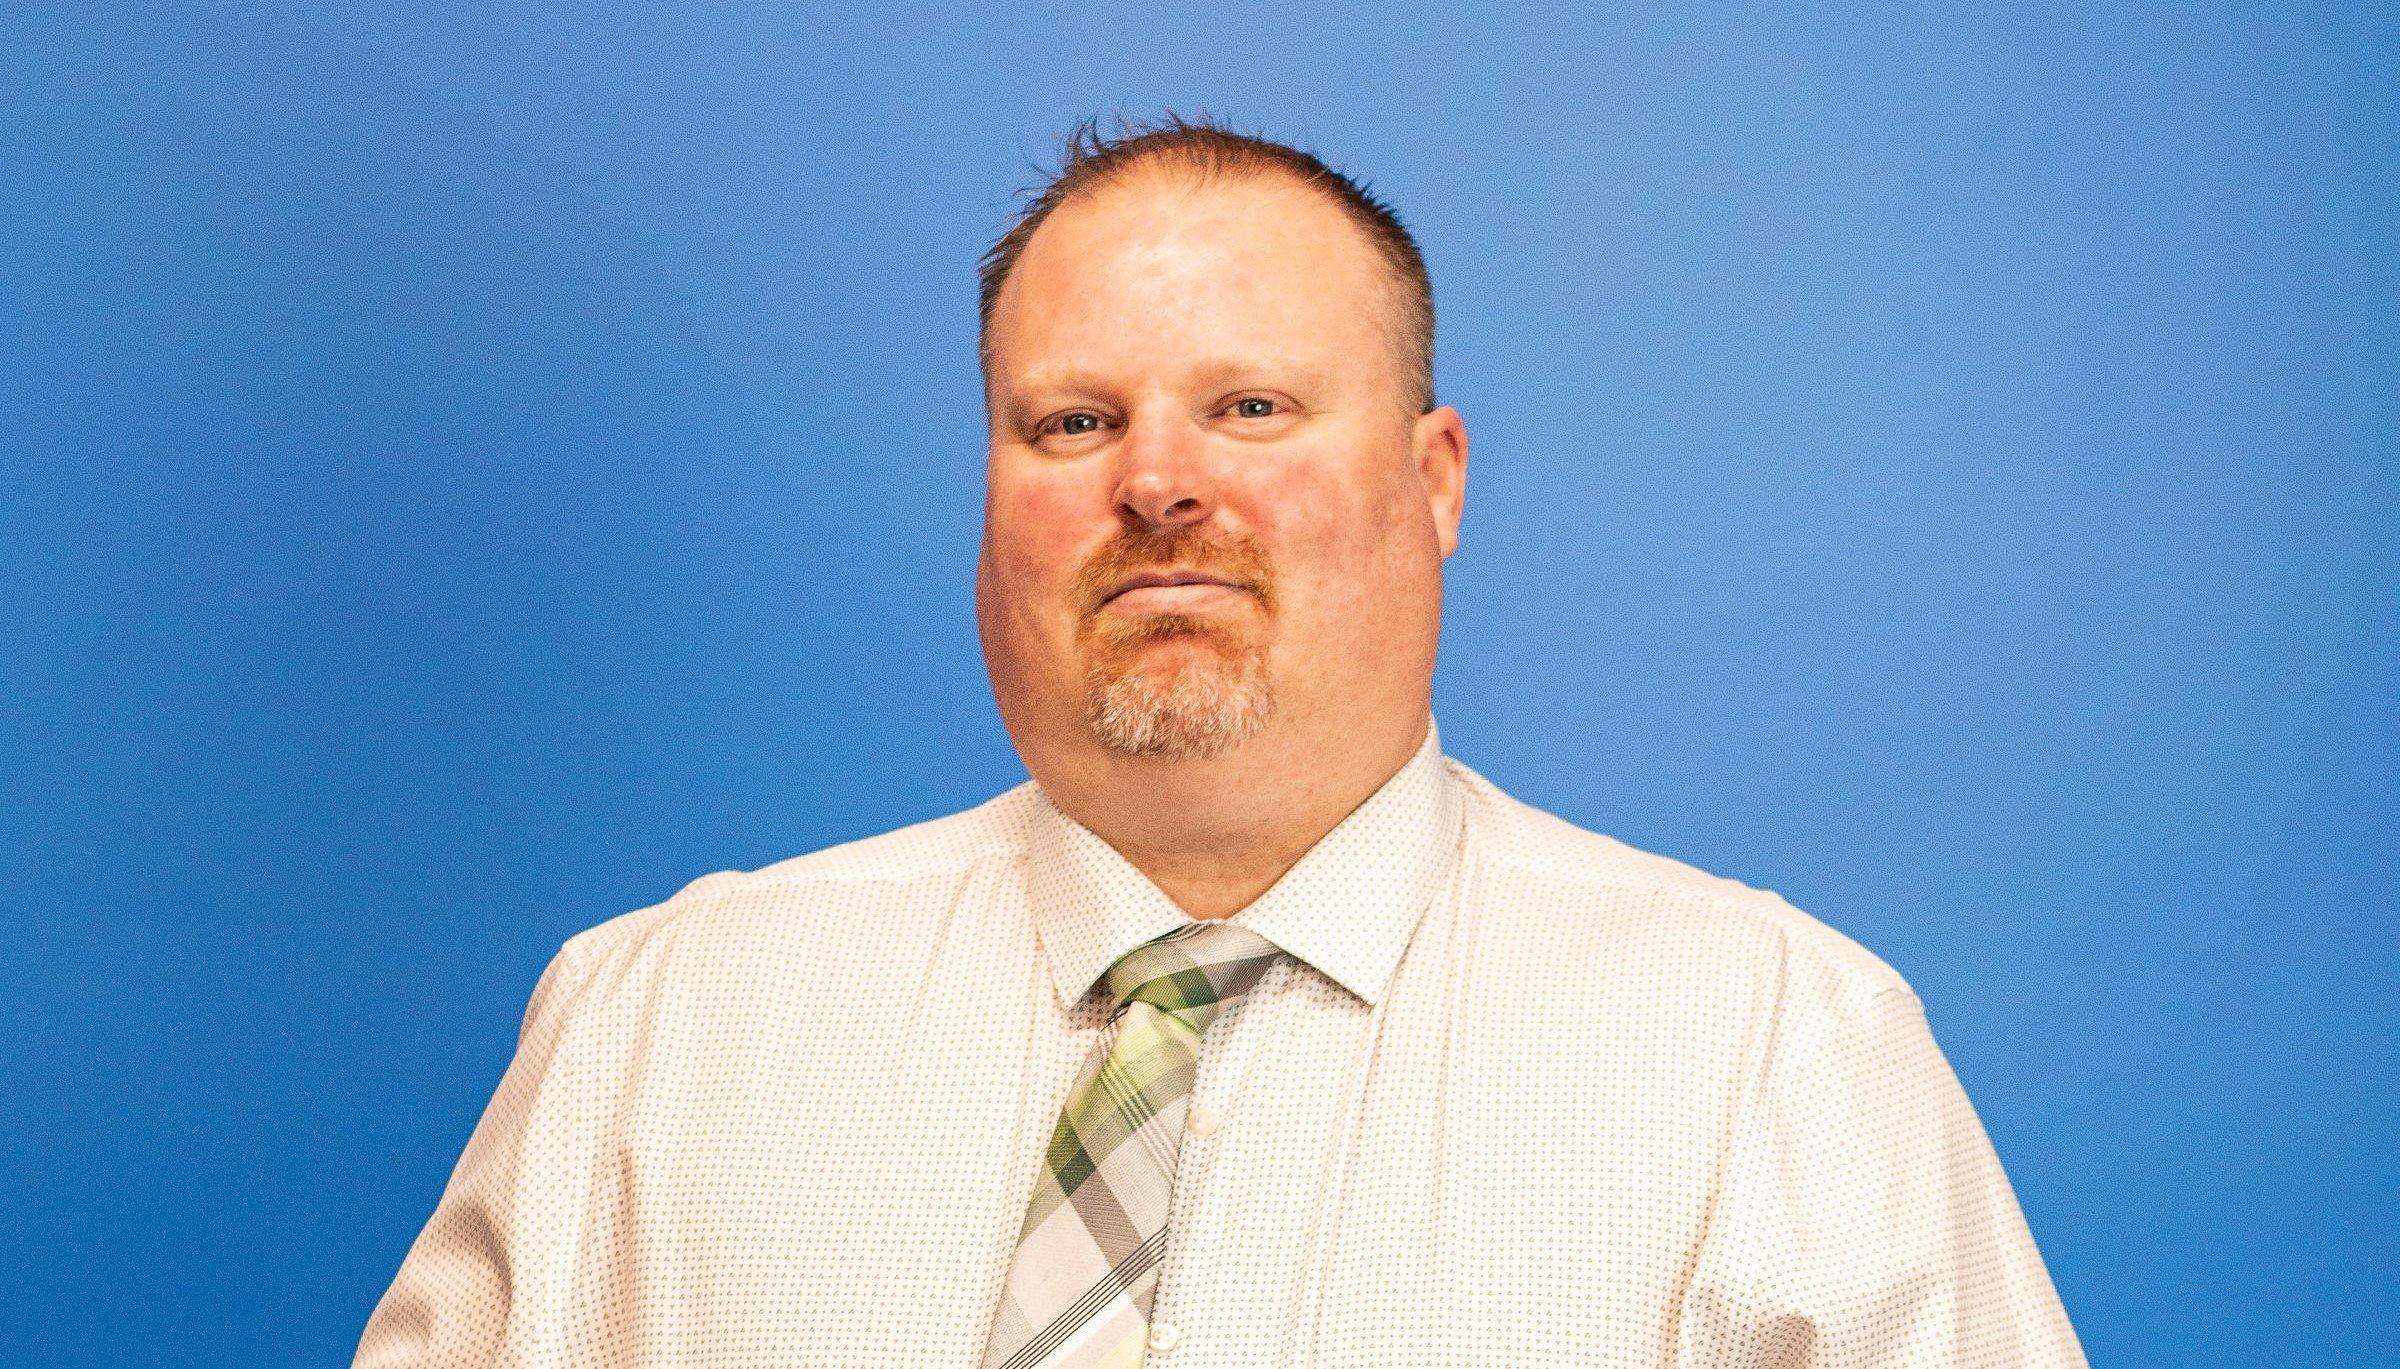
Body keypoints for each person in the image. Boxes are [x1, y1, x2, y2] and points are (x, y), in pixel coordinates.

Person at [354, 115, 2085, 1368]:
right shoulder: (659, 1028)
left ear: (1435, 479)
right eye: (1074, 419)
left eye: (1251, 407)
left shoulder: (1774, 1055)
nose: (1158, 479)